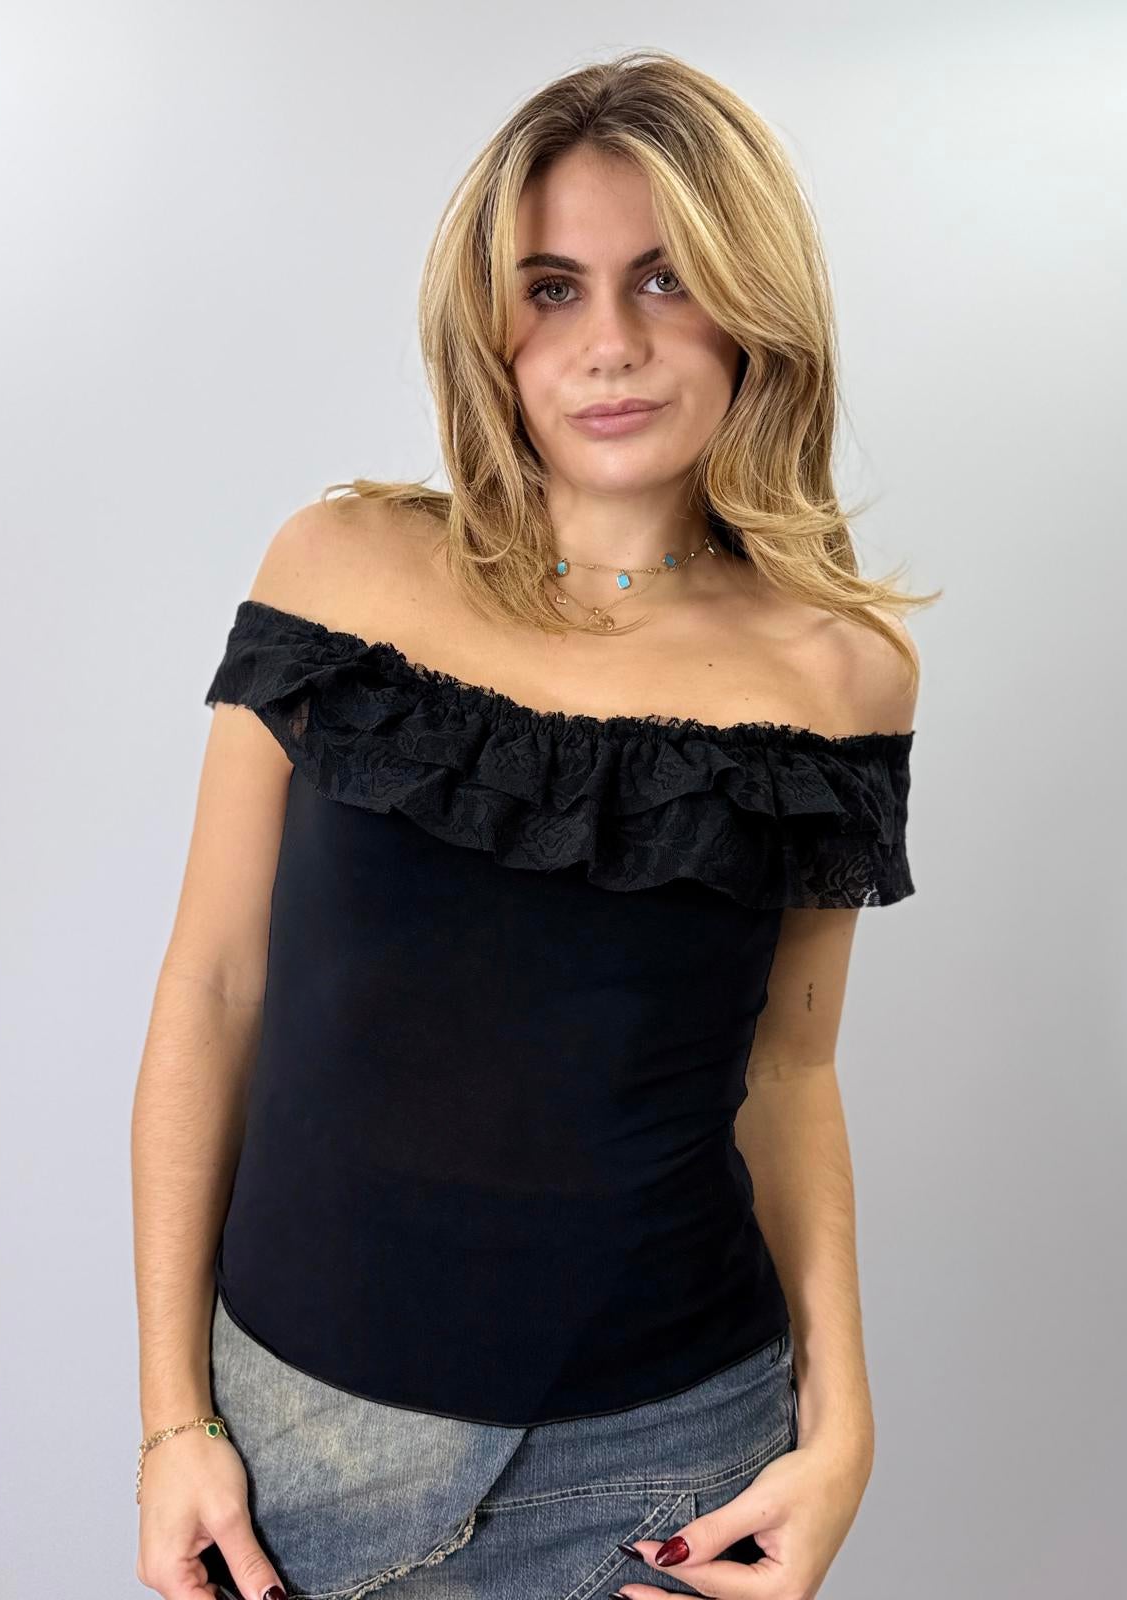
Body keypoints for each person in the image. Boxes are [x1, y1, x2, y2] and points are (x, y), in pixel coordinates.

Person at [131, 47, 938, 1600]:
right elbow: (213, 988)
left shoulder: (843, 673)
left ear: (754, 307)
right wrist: (174, 1421)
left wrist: (843, 1429)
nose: (611, 343)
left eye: (667, 280)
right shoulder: (336, 570)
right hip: (297, 1453)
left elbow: (789, 1067)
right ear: (487, 328)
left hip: (671, 1459)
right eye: (553, 289)